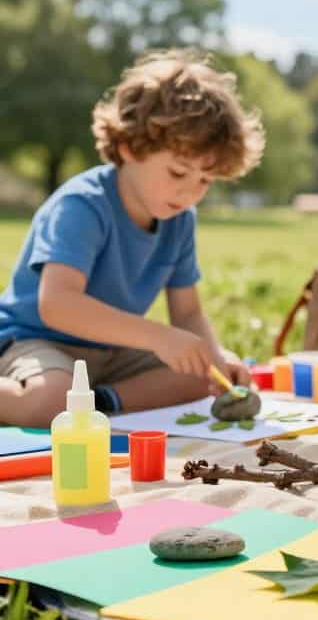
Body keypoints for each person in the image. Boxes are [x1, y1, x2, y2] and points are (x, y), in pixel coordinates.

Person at [0, 50, 265, 427]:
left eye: (205, 180)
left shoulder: (179, 220)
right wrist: (160, 337)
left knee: (198, 374)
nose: (190, 192)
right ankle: (74, 403)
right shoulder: (83, 205)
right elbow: (57, 305)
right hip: (37, 342)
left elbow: (187, 313)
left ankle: (101, 404)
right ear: (128, 146)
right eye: (177, 172)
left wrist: (215, 360)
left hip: (111, 353)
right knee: (51, 401)